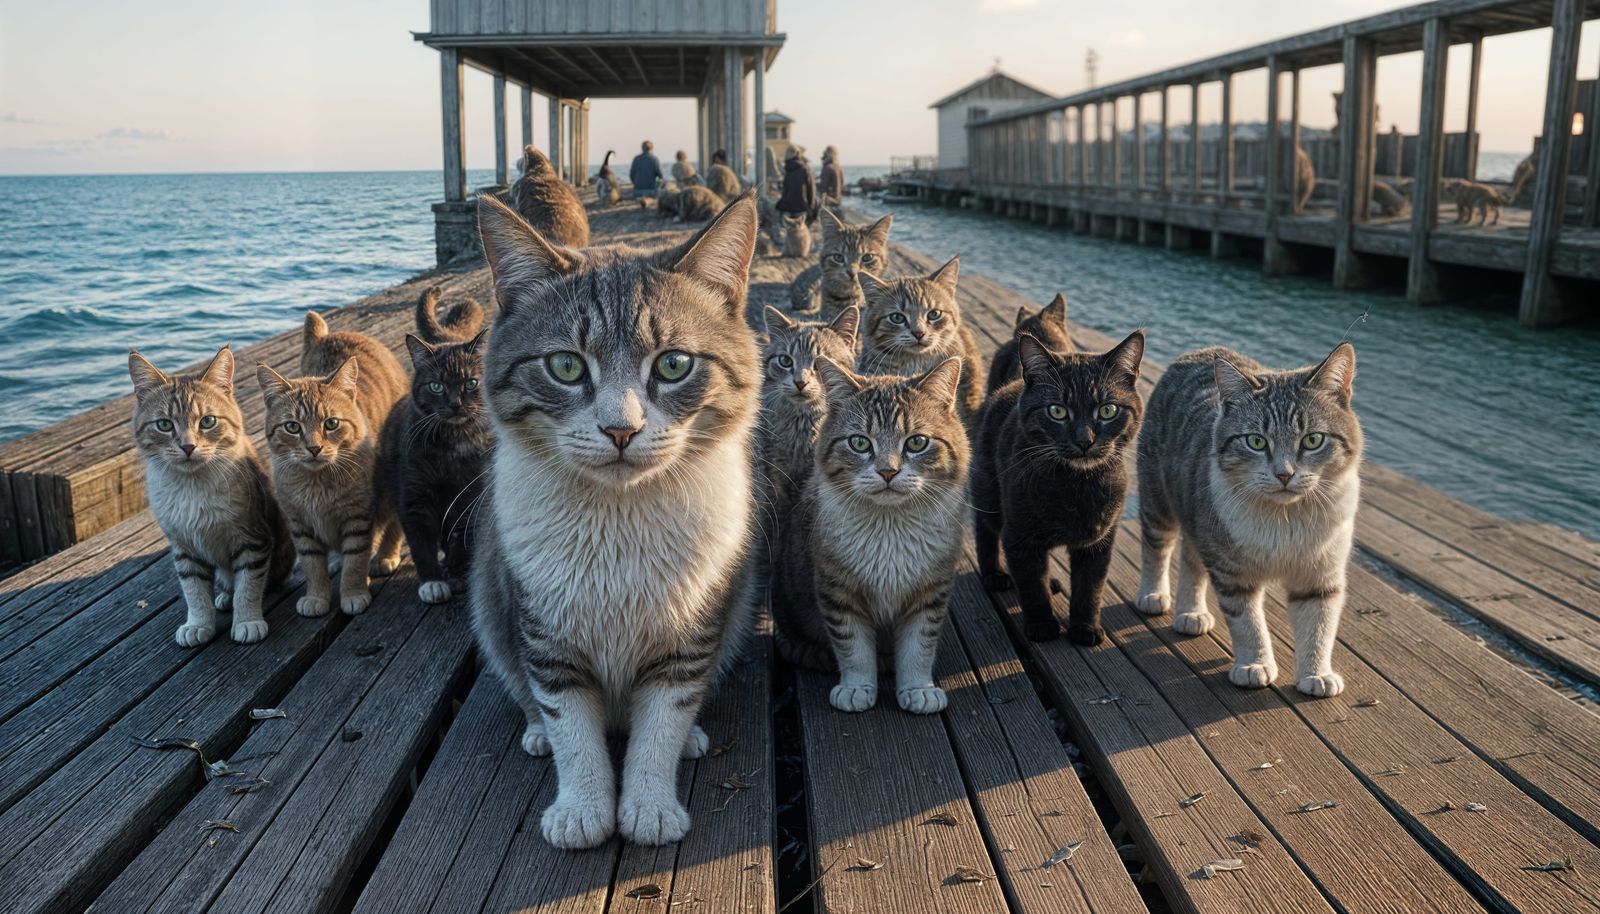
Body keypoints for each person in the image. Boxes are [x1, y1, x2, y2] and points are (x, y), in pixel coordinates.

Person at [776, 145, 816, 223]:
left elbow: (785, 190)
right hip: (801, 207)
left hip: (786, 207)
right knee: (800, 232)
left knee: (786, 232)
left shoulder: (787, 170)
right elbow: (811, 190)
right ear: (798, 154)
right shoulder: (805, 169)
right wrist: (811, 207)